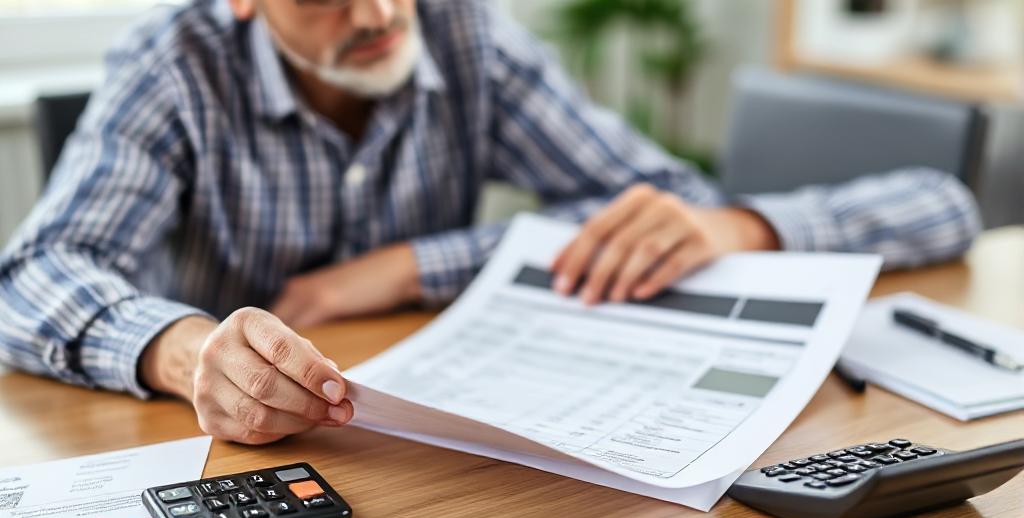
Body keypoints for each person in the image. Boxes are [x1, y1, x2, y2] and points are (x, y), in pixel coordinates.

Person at [0, 0, 980, 445]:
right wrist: (186, 350)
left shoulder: (465, 32)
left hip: (449, 440)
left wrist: (405, 268)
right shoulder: (173, 62)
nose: (380, 12)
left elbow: (646, 202)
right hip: (252, 452)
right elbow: (37, 272)